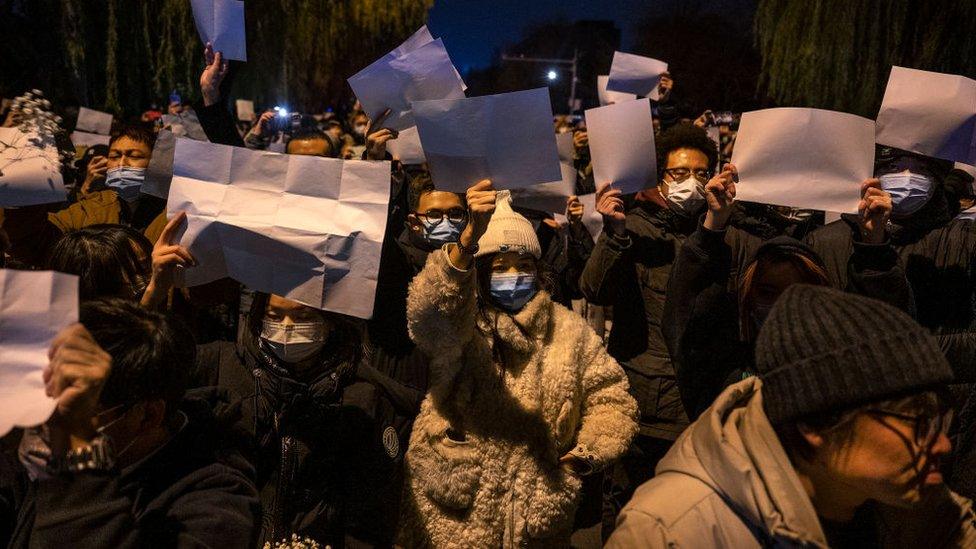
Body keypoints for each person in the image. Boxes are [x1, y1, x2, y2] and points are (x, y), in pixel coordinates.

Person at [607, 284, 976, 548]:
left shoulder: (913, 504)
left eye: (941, 420)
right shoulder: (669, 531)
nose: (941, 444)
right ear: (815, 423)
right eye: (918, 424)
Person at [397, 182, 637, 546]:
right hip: (455, 512)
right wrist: (468, 240)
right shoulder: (463, 326)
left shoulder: (568, 330)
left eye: (523, 265)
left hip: (535, 518)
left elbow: (613, 399)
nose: (513, 275)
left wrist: (579, 460)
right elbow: (430, 312)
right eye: (500, 266)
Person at [5, 298, 260, 548]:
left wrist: (78, 463)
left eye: (72, 410)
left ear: (148, 416)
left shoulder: (217, 505)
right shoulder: (41, 454)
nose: (45, 421)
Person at [664, 165, 912, 417]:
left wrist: (875, 246)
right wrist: (712, 227)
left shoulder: (840, 376)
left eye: (796, 292)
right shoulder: (721, 378)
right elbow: (688, 318)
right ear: (748, 298)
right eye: (768, 292)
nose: (781, 305)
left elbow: (884, 335)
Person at [579, 123, 721, 524]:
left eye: (700, 173)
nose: (691, 181)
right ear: (661, 176)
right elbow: (593, 289)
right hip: (640, 401)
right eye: (680, 173)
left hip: (697, 406)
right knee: (628, 510)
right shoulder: (635, 226)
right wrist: (615, 234)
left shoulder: (721, 229)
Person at [192, 292, 405, 547]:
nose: (287, 327)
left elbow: (370, 515)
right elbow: (147, 369)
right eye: (274, 316)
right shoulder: (222, 365)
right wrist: (155, 294)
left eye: (303, 316)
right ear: (258, 318)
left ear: (331, 320)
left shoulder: (360, 400)